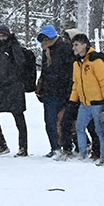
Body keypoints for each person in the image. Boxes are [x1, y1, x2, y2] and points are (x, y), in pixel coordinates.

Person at [65, 32, 104, 166]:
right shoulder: (76, 63)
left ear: (84, 45)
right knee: (80, 127)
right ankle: (83, 153)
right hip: (84, 103)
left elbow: (103, 80)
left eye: (76, 45)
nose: (74, 48)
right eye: (73, 45)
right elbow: (76, 84)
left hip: (97, 103)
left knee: (99, 130)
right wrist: (73, 100)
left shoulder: (95, 60)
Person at [0, 25, 34, 156]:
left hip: (13, 88)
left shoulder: (14, 47)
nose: (1, 38)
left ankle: (23, 148)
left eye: (3, 36)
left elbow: (21, 65)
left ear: (8, 35)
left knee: (18, 117)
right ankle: (2, 144)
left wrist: (10, 78)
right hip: (0, 88)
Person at [35, 24, 73, 158]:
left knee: (66, 121)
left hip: (63, 91)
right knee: (51, 121)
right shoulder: (47, 51)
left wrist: (69, 90)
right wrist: (41, 87)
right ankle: (55, 147)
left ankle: (71, 146)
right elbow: (46, 72)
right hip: (50, 92)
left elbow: (69, 71)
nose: (44, 42)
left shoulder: (64, 49)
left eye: (45, 38)